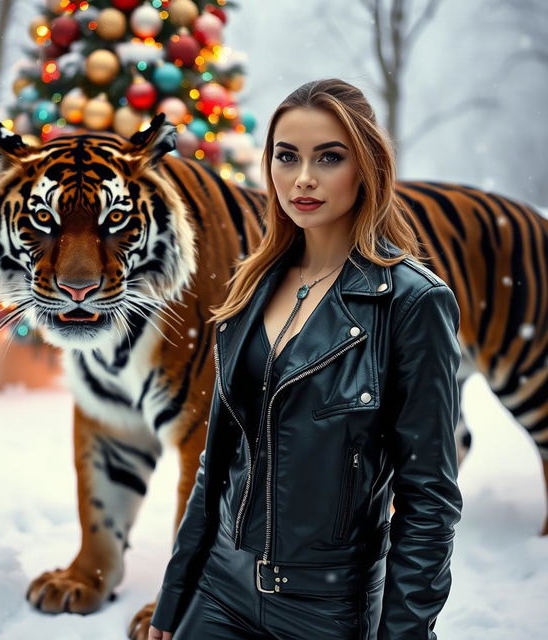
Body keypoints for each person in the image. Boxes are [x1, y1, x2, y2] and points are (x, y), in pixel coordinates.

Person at [147, 78, 463, 640]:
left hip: (327, 609)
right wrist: (174, 601)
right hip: (219, 588)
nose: (304, 179)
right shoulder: (250, 287)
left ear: (367, 167)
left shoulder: (413, 303)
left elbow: (429, 501)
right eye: (286, 157)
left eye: (330, 157)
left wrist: (403, 634)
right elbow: (216, 464)